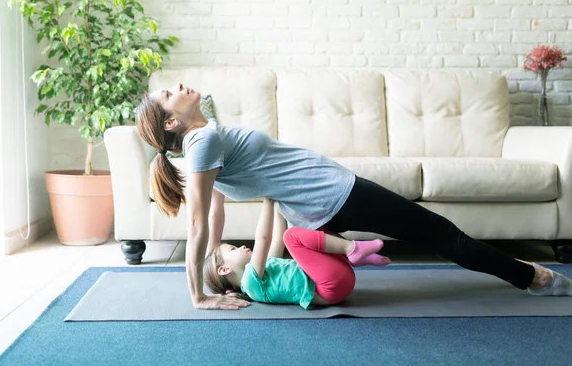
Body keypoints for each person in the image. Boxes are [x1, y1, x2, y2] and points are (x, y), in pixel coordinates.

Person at [135, 83, 572, 310]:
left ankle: (343, 264)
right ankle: (535, 278)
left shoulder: (203, 139)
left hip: (311, 212)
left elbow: (214, 213)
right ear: (171, 124)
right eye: (168, 95)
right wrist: (198, 293)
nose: (177, 86)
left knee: (420, 242)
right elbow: (198, 223)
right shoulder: (202, 145)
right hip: (335, 195)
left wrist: (217, 263)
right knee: (444, 235)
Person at [204, 198, 391, 309]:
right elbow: (263, 239)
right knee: (292, 236)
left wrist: (277, 201)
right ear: (224, 269)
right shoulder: (251, 284)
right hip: (329, 288)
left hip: (335, 276)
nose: (241, 247)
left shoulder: (266, 270)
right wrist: (267, 201)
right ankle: (352, 249)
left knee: (308, 227)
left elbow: (277, 239)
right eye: (233, 249)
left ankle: (354, 256)